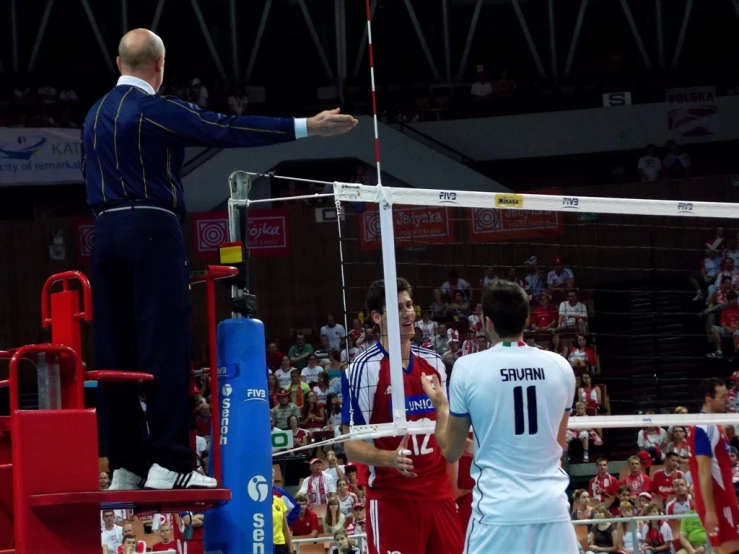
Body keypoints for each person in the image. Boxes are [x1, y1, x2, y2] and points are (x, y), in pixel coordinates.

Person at [84, 28, 357, 491]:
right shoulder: (156, 110)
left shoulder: (92, 116)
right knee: (165, 344)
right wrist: (307, 125)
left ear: (117, 63)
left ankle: (127, 465)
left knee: (115, 350)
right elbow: (227, 129)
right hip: (151, 229)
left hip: (103, 235)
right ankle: (170, 463)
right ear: (160, 67)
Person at [421, 279, 579, 554]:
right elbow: (557, 443)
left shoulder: (468, 368)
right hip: (552, 509)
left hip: (498, 513)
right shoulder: (561, 367)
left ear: (487, 323)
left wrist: (441, 407)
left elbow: (450, 450)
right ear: (527, 319)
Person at [342, 278, 464, 554]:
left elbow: (445, 432)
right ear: (377, 317)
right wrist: (389, 459)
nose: (408, 313)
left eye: (409, 305)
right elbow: (351, 445)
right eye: (398, 308)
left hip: (439, 496)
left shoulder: (433, 363)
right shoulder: (362, 371)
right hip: (392, 499)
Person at [688, 377, 739, 554]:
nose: (728, 400)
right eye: (723, 396)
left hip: (722, 499)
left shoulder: (713, 425)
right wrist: (710, 510)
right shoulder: (705, 427)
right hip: (719, 501)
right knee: (731, 549)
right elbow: (703, 470)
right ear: (709, 399)